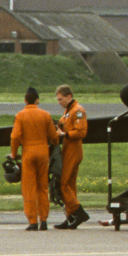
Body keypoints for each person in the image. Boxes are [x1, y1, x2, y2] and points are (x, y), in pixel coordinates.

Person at [9, 87, 58, 230]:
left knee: (29, 187)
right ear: (37, 100)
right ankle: (44, 220)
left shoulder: (20, 115)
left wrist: (13, 153)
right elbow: (53, 136)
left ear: (25, 100)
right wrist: (54, 144)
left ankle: (33, 221)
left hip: (28, 152)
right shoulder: (45, 115)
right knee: (42, 187)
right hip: (43, 152)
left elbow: (15, 136)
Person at [52, 85, 89, 229]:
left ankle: (78, 212)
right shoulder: (67, 111)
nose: (59, 102)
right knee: (70, 184)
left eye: (61, 99)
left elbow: (81, 132)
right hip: (67, 149)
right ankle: (70, 217)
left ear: (69, 97)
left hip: (74, 149)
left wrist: (65, 134)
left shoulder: (78, 111)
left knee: (63, 183)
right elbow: (62, 124)